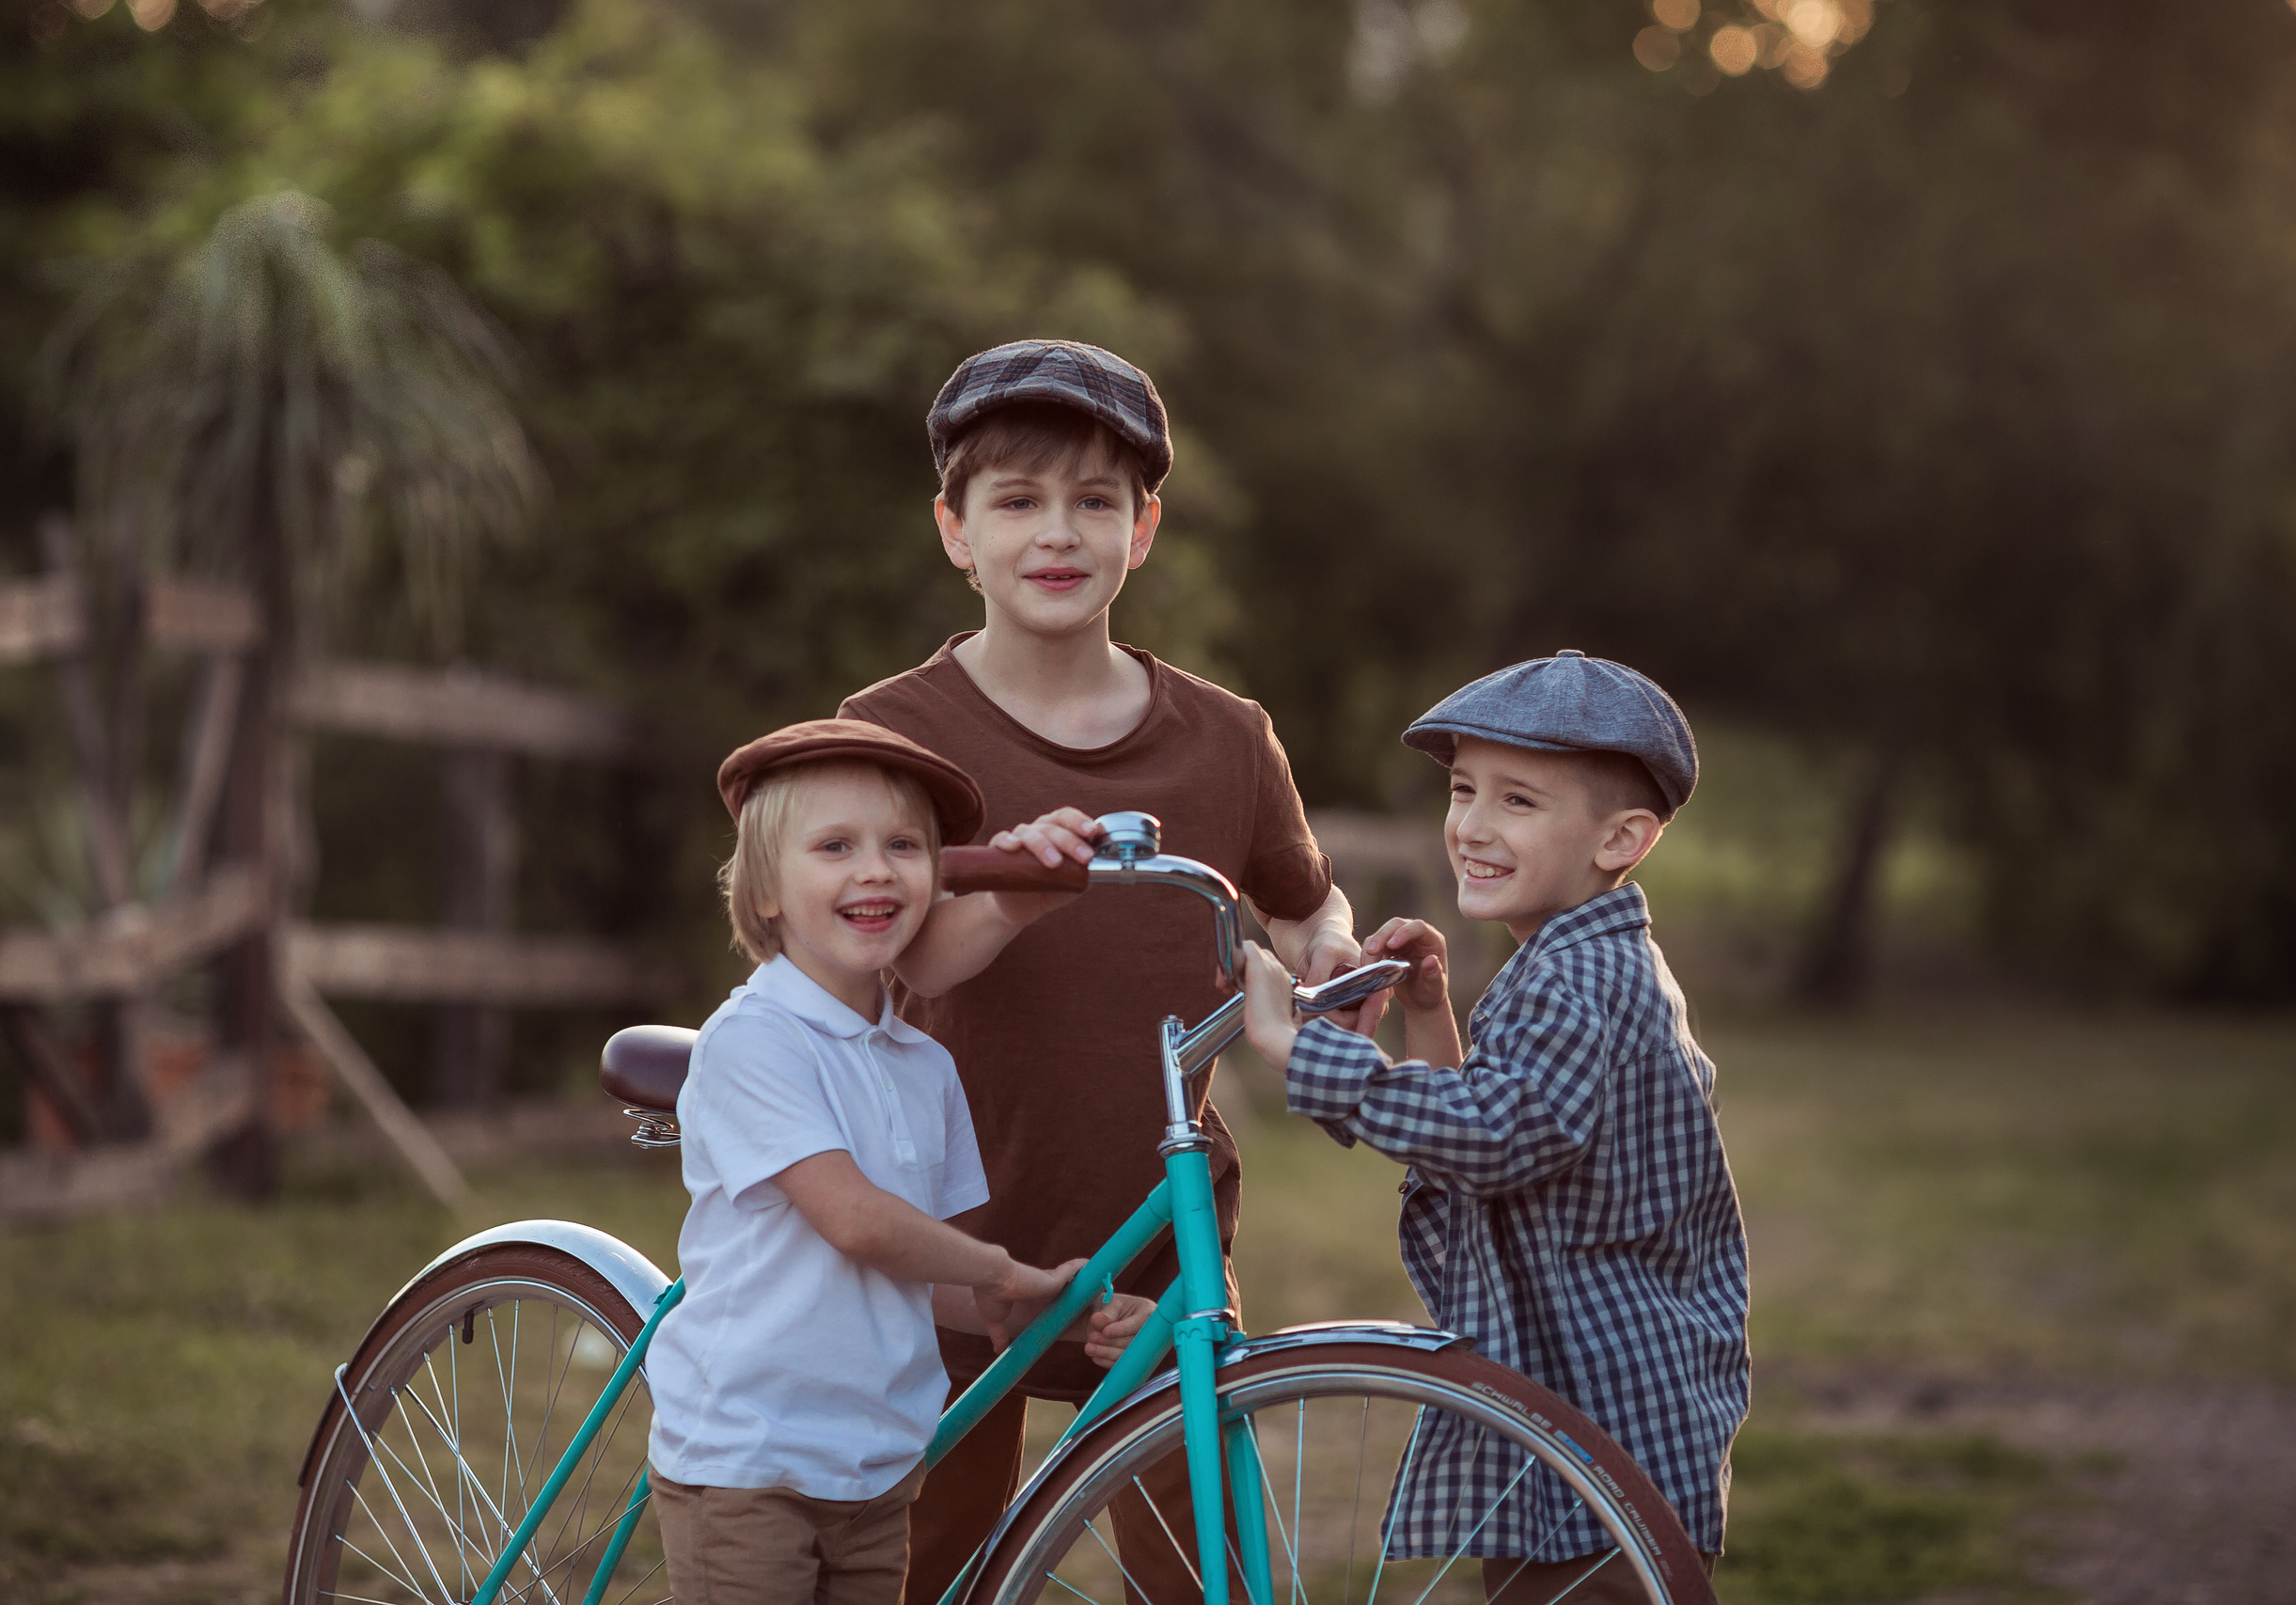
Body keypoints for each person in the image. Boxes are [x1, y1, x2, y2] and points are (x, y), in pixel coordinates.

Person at [838, 339, 1366, 1605]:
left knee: (1201, 1574)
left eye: (1094, 500)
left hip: (1156, 1232)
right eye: (1016, 500)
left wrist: (1333, 954)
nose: (1057, 532)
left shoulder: (1227, 738)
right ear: (955, 532)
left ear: (1144, 528)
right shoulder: (891, 732)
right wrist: (1008, 892)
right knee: (925, 1570)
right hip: (944, 1231)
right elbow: (880, 948)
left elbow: (1304, 903)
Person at [1236, 652, 1751, 1601]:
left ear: (1620, 839)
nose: (1471, 825)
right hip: (1571, 1425)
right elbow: (1495, 1138)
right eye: (1464, 789)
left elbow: (1497, 1135)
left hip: (1609, 1433)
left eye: (1517, 801)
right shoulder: (1575, 958)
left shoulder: (1578, 979)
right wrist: (1431, 1012)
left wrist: (1294, 1049)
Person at [646, 719, 1148, 1605]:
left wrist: (1042, 1307)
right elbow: (856, 1219)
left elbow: (926, 1273)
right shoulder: (755, 1039)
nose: (875, 869)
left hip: (875, 1468)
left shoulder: (926, 1065)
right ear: (765, 891)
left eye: (904, 846)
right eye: (835, 846)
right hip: (751, 1460)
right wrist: (1000, 1268)